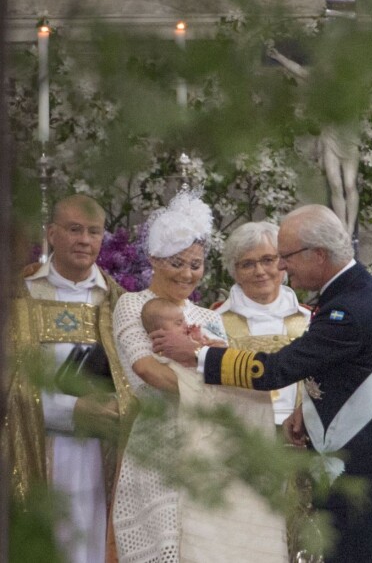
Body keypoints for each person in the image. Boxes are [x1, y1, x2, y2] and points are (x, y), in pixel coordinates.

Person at [152, 204, 372, 563]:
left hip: (359, 475)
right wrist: (308, 407)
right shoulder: (359, 289)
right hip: (360, 466)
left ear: (317, 255)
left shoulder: (348, 309)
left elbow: (276, 370)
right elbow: (345, 371)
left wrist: (197, 354)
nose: (281, 267)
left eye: (285, 257)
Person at [111, 191, 288, 563]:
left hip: (211, 446)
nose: (188, 273)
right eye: (178, 262)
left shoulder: (210, 318)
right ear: (155, 260)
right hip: (160, 442)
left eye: (196, 264)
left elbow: (225, 377)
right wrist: (204, 382)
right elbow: (146, 370)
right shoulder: (132, 305)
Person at [5, 194, 130, 563]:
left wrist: (116, 407)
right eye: (74, 229)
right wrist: (70, 410)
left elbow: (136, 381)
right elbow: (8, 381)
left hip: (100, 455)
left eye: (94, 232)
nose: (84, 240)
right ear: (52, 234)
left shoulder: (119, 302)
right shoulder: (16, 297)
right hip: (34, 446)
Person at [215, 221, 310, 427]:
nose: (260, 271)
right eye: (247, 264)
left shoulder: (309, 320)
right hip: (239, 437)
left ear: (283, 263)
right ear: (234, 271)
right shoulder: (214, 321)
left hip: (299, 437)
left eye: (268, 260)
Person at [266, 43, 361, 237]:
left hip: (348, 140)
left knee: (350, 184)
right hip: (329, 137)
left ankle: (350, 226)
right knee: (334, 183)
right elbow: (299, 70)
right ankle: (342, 226)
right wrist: (279, 57)